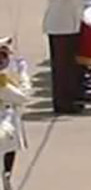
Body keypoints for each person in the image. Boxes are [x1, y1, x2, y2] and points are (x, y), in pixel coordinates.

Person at [0, 38, 30, 190]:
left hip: (7, 116)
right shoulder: (1, 82)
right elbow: (23, 97)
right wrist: (23, 73)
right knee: (7, 151)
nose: (4, 60)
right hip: (4, 120)